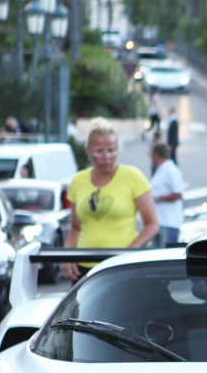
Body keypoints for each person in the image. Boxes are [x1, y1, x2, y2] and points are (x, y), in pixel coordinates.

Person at [62, 119, 159, 281]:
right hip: (84, 268)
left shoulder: (133, 177)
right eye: (99, 151)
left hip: (121, 266)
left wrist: (128, 253)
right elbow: (75, 227)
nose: (106, 156)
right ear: (88, 151)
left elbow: (152, 224)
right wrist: (68, 256)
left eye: (111, 150)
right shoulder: (78, 181)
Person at [149, 142, 185, 245]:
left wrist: (157, 198)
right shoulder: (161, 169)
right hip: (160, 221)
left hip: (169, 222)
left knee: (163, 256)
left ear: (156, 155)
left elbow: (178, 193)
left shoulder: (170, 170)